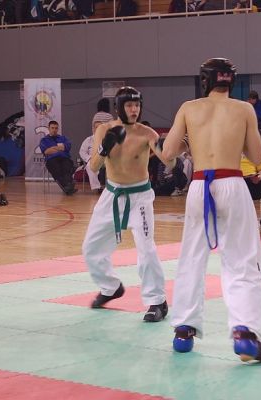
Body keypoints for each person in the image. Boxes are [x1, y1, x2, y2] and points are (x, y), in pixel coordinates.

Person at [162, 58, 261, 362]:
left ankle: (183, 331)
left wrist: (192, 139)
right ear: (231, 80)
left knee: (191, 257)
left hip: (199, 186)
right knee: (243, 259)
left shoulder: (189, 108)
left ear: (205, 80)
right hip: (232, 183)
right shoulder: (244, 109)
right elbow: (257, 156)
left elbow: (168, 152)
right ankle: (245, 335)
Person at [82, 86, 171, 322]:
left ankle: (157, 301)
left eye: (137, 105)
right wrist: (105, 147)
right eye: (130, 105)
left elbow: (169, 161)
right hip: (111, 195)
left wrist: (170, 146)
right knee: (91, 248)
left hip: (140, 197)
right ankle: (110, 287)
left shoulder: (147, 133)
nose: (134, 110)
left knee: (146, 248)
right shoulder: (104, 130)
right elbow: (94, 166)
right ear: (119, 107)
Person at [39, 120, 77, 195]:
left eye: (56, 128)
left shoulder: (63, 138)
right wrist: (59, 148)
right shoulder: (44, 140)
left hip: (64, 158)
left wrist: (53, 148)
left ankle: (67, 187)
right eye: (52, 128)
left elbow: (67, 147)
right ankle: (68, 185)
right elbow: (47, 151)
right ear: (48, 128)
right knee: (56, 168)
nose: (54, 130)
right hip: (51, 159)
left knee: (67, 167)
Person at [79, 111, 113, 193]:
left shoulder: (108, 139)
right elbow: (82, 151)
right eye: (96, 127)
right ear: (93, 128)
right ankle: (97, 187)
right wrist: (89, 158)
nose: (97, 129)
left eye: (99, 127)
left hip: (106, 160)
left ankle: (111, 187)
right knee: (90, 166)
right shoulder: (89, 140)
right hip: (93, 159)